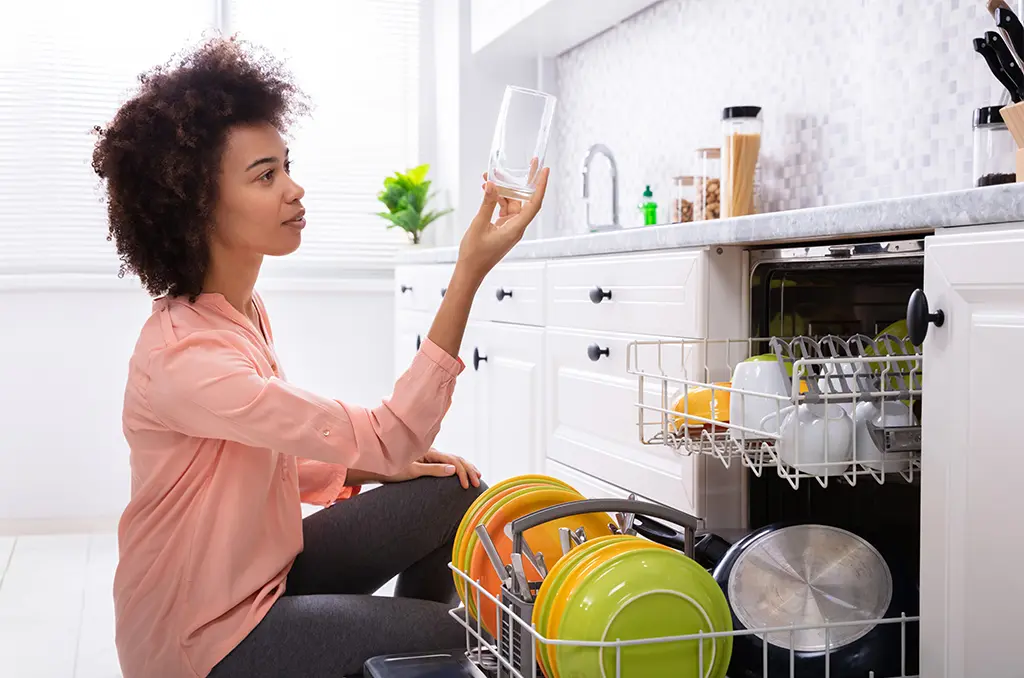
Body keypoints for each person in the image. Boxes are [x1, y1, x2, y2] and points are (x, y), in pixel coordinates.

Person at [91, 36, 549, 678]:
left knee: (454, 494)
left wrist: (380, 472)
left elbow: (258, 456)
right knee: (474, 636)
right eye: (266, 176)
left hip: (262, 576)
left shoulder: (238, 313)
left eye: (286, 165)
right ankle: (406, 657)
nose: (294, 189)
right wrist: (469, 266)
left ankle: (391, 664)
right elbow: (390, 436)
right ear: (198, 205)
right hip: (201, 638)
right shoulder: (184, 356)